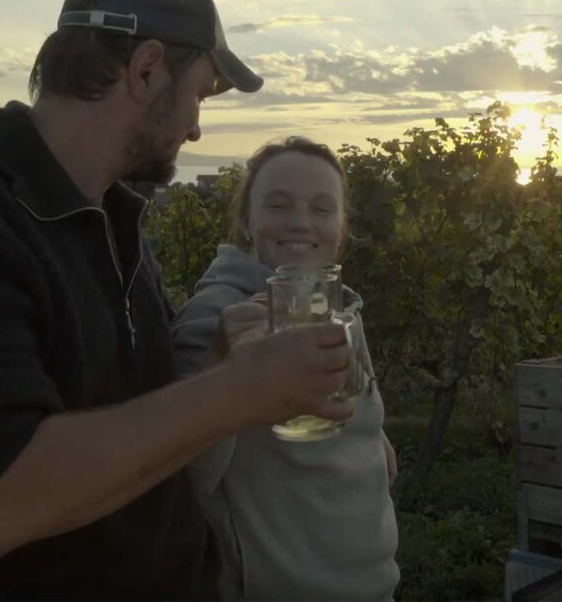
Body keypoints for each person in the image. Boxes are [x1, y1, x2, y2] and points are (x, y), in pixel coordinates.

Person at [0, 0, 352, 599]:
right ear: (146, 67)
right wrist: (238, 393)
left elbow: (119, 420)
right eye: (201, 93)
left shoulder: (109, 219)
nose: (198, 127)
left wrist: (210, 367)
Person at [171, 137, 400, 600]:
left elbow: (361, 445)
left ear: (341, 224)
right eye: (278, 205)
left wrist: (372, 441)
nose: (300, 223)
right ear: (247, 220)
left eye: (321, 208)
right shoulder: (220, 319)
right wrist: (222, 371)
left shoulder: (334, 308)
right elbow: (180, 484)